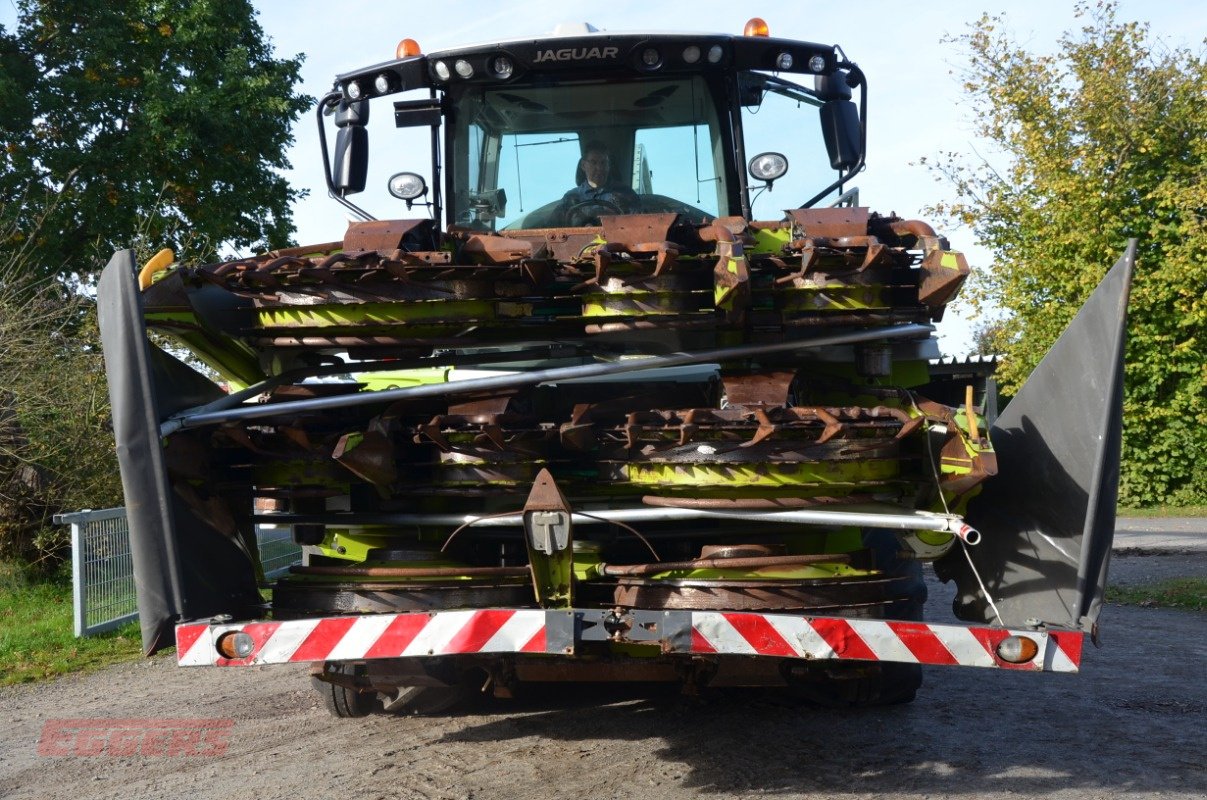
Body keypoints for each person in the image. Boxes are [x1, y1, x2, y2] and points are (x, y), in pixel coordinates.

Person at [558, 140, 639, 223]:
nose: (599, 168)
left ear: (609, 166)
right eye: (593, 162)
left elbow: (639, 226)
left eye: (603, 163)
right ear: (583, 165)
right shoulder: (571, 198)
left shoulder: (626, 194)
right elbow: (554, 227)